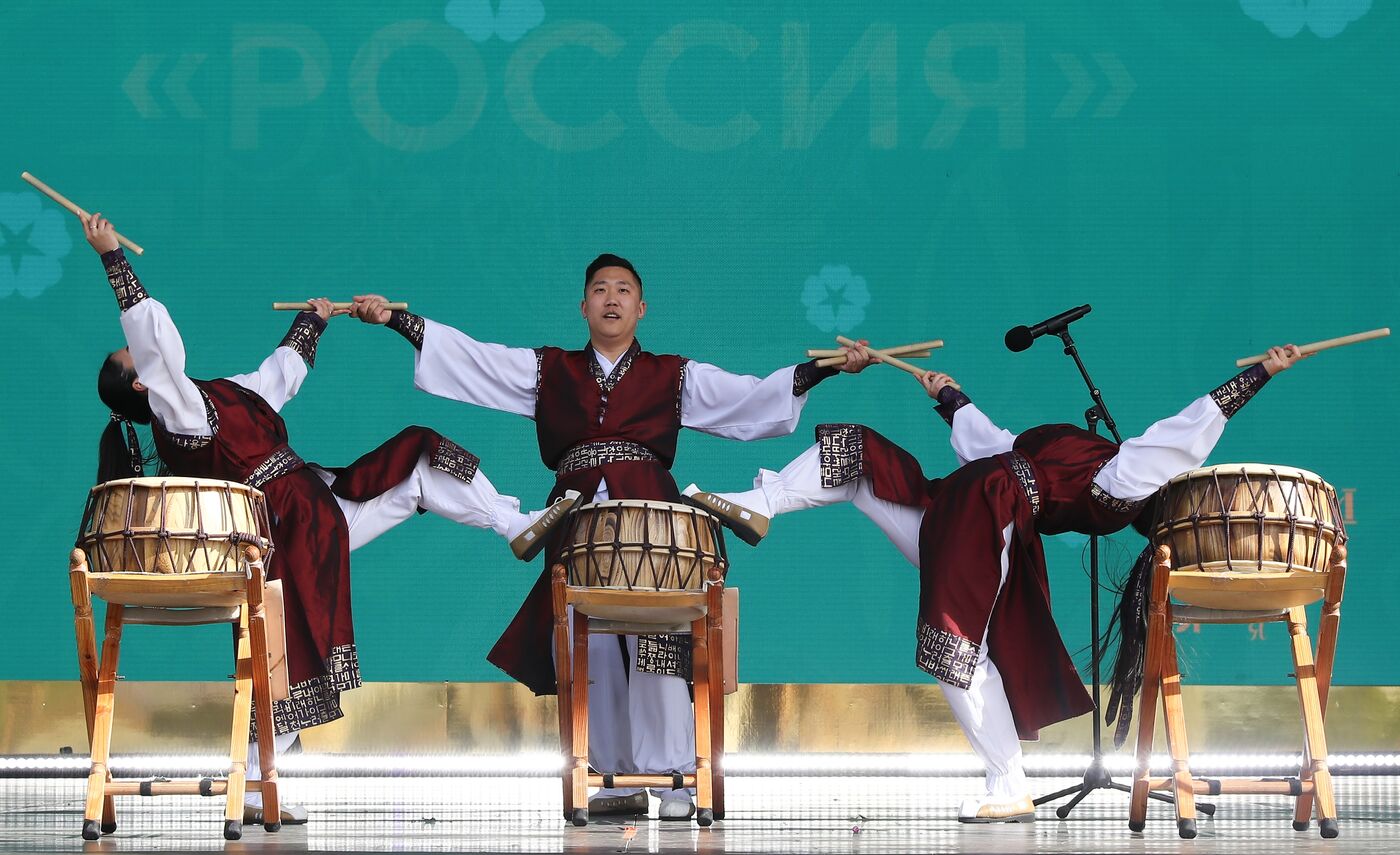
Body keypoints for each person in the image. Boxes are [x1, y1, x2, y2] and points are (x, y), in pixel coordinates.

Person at [85, 214, 577, 826]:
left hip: (315, 509)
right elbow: (159, 345)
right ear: (140, 386)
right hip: (284, 531)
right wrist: (114, 260)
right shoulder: (178, 413)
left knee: (420, 459)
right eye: (132, 356)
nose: (142, 352)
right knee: (287, 651)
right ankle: (264, 787)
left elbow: (278, 376)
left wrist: (311, 321)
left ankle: (516, 524)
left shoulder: (216, 395)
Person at [683, 345, 1303, 822]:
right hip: (959, 502)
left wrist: (1257, 376)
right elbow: (995, 445)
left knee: (955, 646)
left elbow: (1184, 430)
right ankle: (757, 501)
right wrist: (950, 396)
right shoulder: (1089, 460)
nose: (1157, 462)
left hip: (988, 516)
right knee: (857, 454)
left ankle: (1007, 782)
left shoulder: (1123, 481)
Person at [350, 254, 872, 819]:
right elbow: (475, 360)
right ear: (584, 307)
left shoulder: (671, 375)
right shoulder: (549, 370)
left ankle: (675, 776)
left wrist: (823, 370)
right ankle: (610, 777)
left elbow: (745, 397)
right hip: (576, 520)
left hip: (653, 516)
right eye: (600, 289)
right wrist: (397, 322)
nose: (612, 298)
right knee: (589, 638)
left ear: (641, 308)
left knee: (660, 637)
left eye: (624, 290)